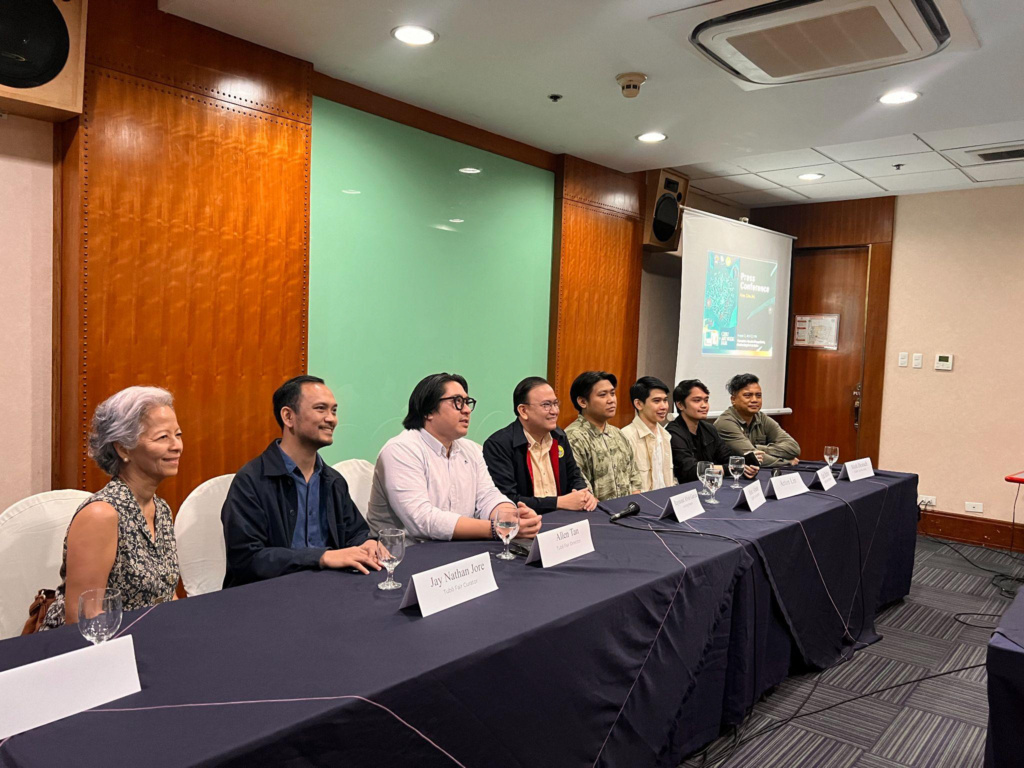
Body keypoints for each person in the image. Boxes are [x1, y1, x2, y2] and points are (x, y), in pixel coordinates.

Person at [41, 387, 181, 630]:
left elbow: (166, 595)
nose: (177, 446)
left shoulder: (161, 508)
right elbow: (84, 620)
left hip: (149, 640)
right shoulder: (101, 515)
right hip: (97, 651)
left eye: (178, 434)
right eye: (163, 438)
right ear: (123, 448)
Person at [221, 376, 378, 588]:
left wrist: (367, 543)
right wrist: (321, 557)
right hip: (268, 595)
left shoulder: (332, 480)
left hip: (328, 590)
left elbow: (355, 532)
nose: (331, 419)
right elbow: (247, 559)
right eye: (321, 409)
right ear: (288, 416)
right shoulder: (250, 481)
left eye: (334, 410)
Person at [367, 373, 543, 543]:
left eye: (467, 402)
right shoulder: (401, 450)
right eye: (457, 402)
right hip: (404, 556)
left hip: (459, 550)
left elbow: (487, 496)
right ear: (428, 411)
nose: (466, 410)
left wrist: (510, 515)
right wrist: (495, 528)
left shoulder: (472, 450)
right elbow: (422, 520)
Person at [482, 376, 597, 513]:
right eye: (546, 405)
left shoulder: (559, 436)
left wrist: (584, 493)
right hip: (526, 523)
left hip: (563, 520)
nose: (554, 411)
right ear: (523, 411)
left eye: (555, 403)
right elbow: (507, 499)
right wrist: (557, 502)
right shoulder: (499, 445)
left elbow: (574, 475)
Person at [564, 371, 641, 501]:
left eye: (612, 393)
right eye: (602, 395)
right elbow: (581, 489)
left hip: (628, 512)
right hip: (597, 516)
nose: (611, 400)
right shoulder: (573, 437)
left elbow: (634, 476)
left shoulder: (618, 433)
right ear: (583, 402)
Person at [666, 379, 761, 483]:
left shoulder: (708, 429)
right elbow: (690, 471)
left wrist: (745, 467)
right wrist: (730, 468)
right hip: (686, 491)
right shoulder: (673, 432)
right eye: (697, 400)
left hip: (710, 485)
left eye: (706, 400)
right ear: (680, 405)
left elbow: (727, 457)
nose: (704, 405)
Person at [715, 373, 800, 468]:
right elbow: (753, 458)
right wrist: (786, 461)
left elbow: (794, 448)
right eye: (748, 395)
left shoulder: (761, 418)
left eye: (758, 395)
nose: (754, 400)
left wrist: (758, 448)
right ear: (733, 399)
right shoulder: (725, 423)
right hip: (732, 476)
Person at [620, 376, 675, 492]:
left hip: (665, 501)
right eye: (657, 401)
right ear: (639, 404)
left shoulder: (665, 435)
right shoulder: (625, 436)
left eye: (665, 400)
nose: (664, 406)